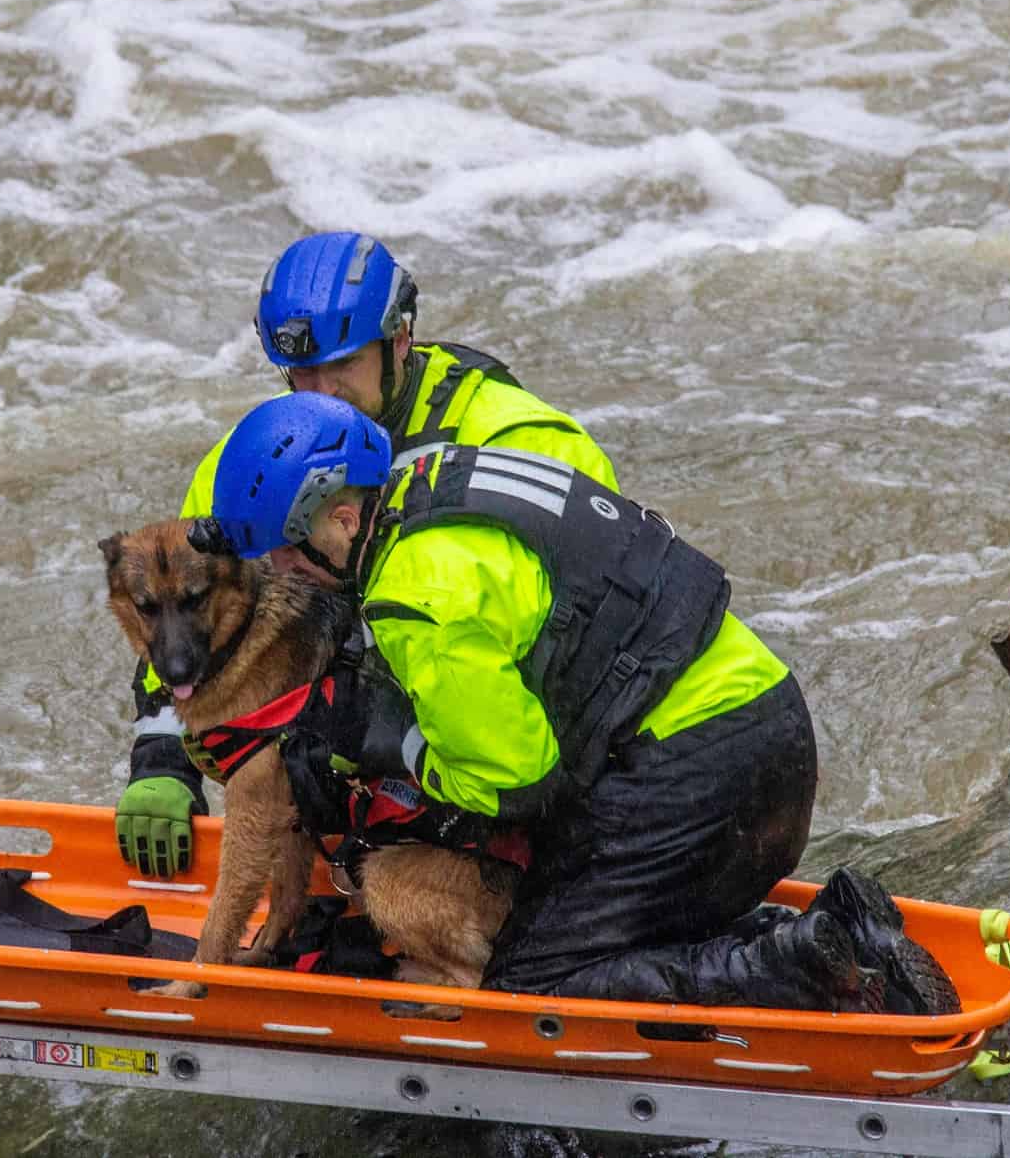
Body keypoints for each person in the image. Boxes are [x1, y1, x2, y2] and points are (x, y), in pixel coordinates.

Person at [200, 390, 961, 1015]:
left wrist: (390, 746)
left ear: (339, 517)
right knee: (597, 920)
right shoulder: (442, 474)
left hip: (692, 781)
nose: (283, 577)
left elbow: (516, 780)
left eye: (287, 553)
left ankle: (793, 965)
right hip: (767, 723)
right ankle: (850, 925)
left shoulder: (413, 594)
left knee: (533, 988)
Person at [114, 231, 619, 879]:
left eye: (344, 364)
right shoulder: (256, 459)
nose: (322, 389)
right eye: (303, 371)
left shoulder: (518, 436)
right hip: (355, 733)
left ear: (400, 340)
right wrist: (161, 761)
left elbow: (596, 622)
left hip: (497, 717)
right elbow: (186, 610)